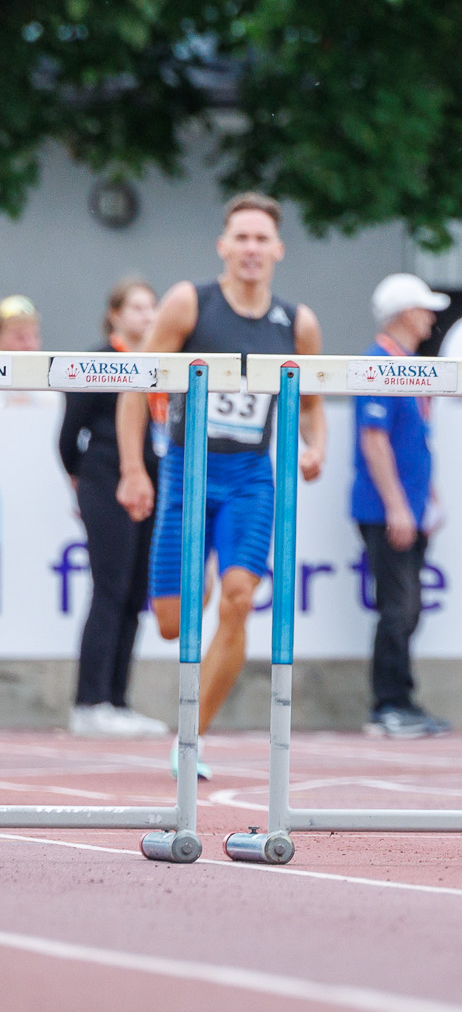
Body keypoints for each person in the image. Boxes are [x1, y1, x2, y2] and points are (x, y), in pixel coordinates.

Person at [119, 194, 326, 779]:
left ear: (278, 249)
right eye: (243, 238)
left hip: (252, 479)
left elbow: (311, 404)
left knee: (239, 600)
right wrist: (135, 469)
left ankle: (191, 738)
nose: (252, 249)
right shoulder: (189, 303)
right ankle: (195, 583)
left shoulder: (297, 322)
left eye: (263, 239)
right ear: (224, 245)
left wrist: (317, 447)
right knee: (173, 620)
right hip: (187, 470)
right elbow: (135, 386)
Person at [58, 278, 169, 738]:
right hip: (106, 482)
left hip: (154, 484)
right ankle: (89, 701)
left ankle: (117, 701)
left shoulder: (164, 362)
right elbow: (68, 437)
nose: (147, 315)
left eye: (151, 307)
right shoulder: (100, 360)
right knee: (109, 587)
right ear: (115, 314)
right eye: (137, 307)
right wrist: (82, 486)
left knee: (134, 593)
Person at [354, 273, 453, 739]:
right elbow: (373, 438)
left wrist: (426, 500)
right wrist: (396, 506)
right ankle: (389, 704)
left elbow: (416, 440)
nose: (431, 317)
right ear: (406, 312)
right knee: (399, 607)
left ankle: (402, 700)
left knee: (407, 608)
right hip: (386, 509)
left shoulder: (406, 363)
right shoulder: (380, 363)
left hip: (407, 507)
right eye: (424, 308)